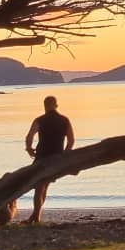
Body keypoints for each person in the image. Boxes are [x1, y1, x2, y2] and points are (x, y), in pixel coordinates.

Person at [24, 95, 75, 223]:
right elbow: (71, 140)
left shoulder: (40, 120)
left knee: (39, 187)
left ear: (45, 106)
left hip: (42, 157)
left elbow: (29, 136)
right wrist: (65, 154)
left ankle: (36, 215)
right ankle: (36, 215)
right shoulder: (64, 120)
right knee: (44, 186)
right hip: (56, 157)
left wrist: (29, 148)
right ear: (56, 105)